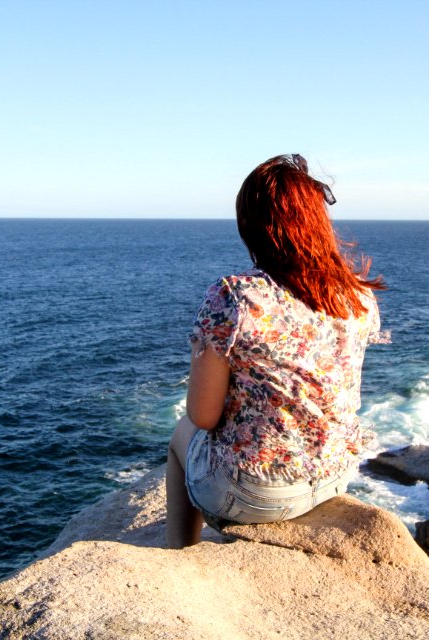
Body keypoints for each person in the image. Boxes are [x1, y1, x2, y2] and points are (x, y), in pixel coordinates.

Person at [166, 154, 387, 549]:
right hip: (332, 477)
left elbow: (203, 415)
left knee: (181, 434)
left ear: (252, 226)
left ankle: (180, 553)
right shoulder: (357, 292)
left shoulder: (235, 296)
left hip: (255, 494)